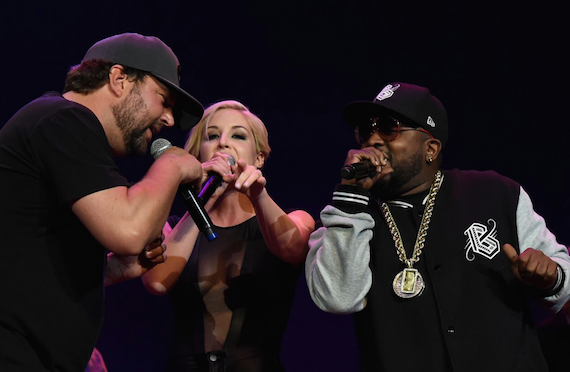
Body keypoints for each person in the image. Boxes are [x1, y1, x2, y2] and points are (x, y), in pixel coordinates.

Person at [305, 82, 570, 372]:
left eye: (388, 128)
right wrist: (351, 198)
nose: (373, 140)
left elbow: (565, 283)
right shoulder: (348, 215)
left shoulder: (496, 193)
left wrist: (552, 277)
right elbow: (338, 300)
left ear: (430, 148)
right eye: (365, 131)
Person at [0, 33, 205, 372]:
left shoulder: (60, 127)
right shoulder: (64, 119)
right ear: (119, 79)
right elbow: (128, 230)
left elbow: (27, 262)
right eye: (164, 100)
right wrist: (171, 164)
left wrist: (108, 270)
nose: (169, 119)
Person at [142, 100, 315, 372]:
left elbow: (291, 248)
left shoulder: (295, 218)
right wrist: (204, 201)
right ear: (199, 155)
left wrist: (258, 194)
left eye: (237, 135)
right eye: (212, 136)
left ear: (259, 157)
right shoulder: (171, 227)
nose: (223, 143)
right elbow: (157, 282)